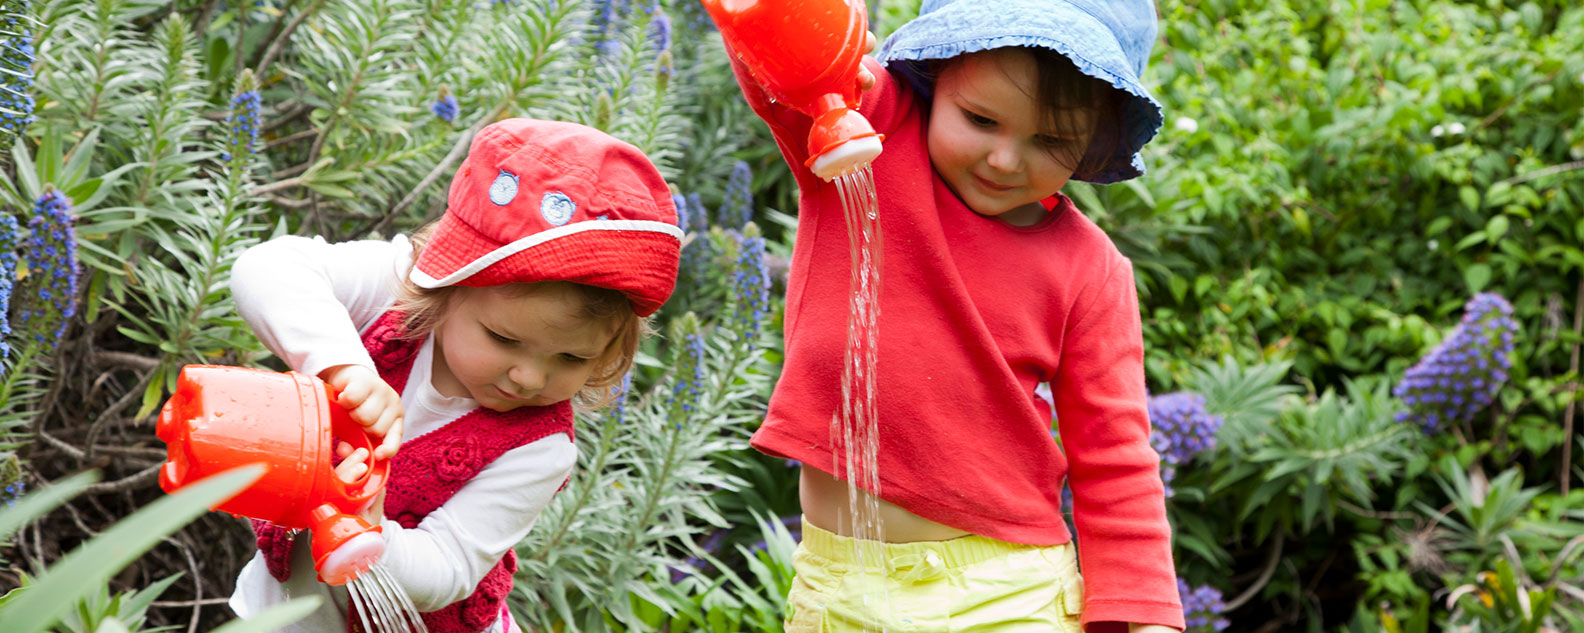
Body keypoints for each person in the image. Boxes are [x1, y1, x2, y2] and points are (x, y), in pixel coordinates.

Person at [725, 0, 1184, 631]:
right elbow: (777, 55)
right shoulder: (864, 139)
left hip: (1005, 593)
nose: (1004, 159)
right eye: (981, 119)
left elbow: (1116, 459)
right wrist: (820, 47)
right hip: (839, 590)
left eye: (1051, 141)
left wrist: (1146, 618)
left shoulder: (1091, 271)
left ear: (1095, 143)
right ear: (935, 76)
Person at [226, 117, 683, 633]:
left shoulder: (539, 448)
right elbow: (266, 268)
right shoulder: (396, 293)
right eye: (504, 339)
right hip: (278, 609)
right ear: (446, 282)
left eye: (573, 360)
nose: (529, 377)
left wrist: (370, 529)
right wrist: (342, 367)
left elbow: (449, 566)